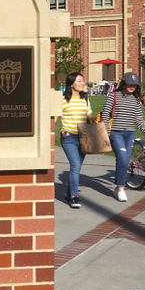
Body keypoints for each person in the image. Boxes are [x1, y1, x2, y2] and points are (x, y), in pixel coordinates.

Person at [101, 72, 145, 202]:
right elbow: (105, 114)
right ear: (124, 83)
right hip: (116, 132)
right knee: (122, 158)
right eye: (129, 84)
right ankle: (121, 188)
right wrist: (108, 131)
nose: (132, 87)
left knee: (125, 160)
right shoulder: (113, 96)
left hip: (130, 133)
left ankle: (118, 186)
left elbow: (138, 117)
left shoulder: (136, 99)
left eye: (135, 85)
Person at [60, 72, 92, 209]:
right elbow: (55, 116)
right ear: (71, 83)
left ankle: (68, 193)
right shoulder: (63, 99)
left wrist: (96, 118)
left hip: (83, 137)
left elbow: (88, 115)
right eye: (79, 81)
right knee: (75, 166)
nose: (82, 83)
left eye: (82, 80)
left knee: (77, 167)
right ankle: (74, 196)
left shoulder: (85, 98)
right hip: (68, 136)